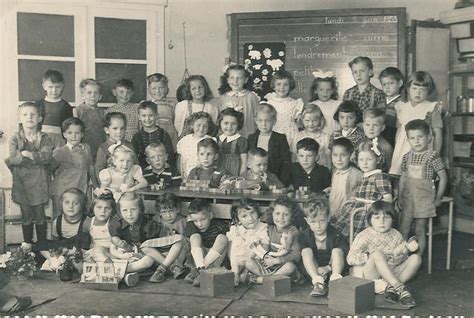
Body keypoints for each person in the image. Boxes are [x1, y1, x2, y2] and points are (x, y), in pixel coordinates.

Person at [347, 201, 421, 308]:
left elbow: (401, 259)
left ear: (392, 219)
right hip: (371, 276)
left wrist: (399, 256)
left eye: (386, 217)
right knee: (377, 254)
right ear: (370, 220)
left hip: (391, 272)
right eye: (377, 218)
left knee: (416, 258)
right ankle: (399, 287)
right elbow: (350, 258)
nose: (382, 222)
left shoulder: (396, 235)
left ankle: (391, 287)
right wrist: (369, 256)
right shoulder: (364, 235)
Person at [109, 192, 185, 284]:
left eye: (133, 209)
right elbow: (112, 245)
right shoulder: (117, 223)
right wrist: (121, 255)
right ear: (119, 211)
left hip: (141, 257)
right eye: (125, 210)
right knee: (100, 251)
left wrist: (139, 255)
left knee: (148, 260)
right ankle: (123, 273)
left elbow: (151, 248)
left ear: (140, 209)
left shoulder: (148, 224)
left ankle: (120, 272)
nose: (129, 214)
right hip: (123, 256)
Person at [398, 119, 448, 257]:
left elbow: (443, 178)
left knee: (420, 230)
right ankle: (401, 257)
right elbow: (403, 178)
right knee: (403, 229)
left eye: (420, 137)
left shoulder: (432, 156)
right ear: (408, 140)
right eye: (412, 138)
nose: (417, 141)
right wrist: (400, 196)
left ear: (429, 138)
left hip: (424, 200)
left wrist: (438, 197)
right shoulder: (406, 157)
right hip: (408, 198)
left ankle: (417, 258)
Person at [5, 102, 52, 244]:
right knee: (26, 216)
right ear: (19, 118)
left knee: (40, 216)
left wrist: (29, 155)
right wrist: (35, 158)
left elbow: (47, 157)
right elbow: (13, 159)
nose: (29, 117)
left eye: (33, 114)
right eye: (25, 114)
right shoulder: (15, 138)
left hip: (39, 183)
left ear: (40, 118)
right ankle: (28, 250)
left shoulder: (45, 138)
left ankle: (42, 248)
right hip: (22, 184)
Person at [330, 140, 393, 238]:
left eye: (369, 159)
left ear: (377, 160)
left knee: (362, 236)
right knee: (341, 230)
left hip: (368, 213)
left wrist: (373, 205)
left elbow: (388, 199)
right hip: (356, 210)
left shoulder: (379, 176)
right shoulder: (364, 176)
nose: (365, 163)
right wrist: (354, 199)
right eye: (361, 160)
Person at [390, 71, 443, 176]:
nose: (418, 93)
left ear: (428, 91)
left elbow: (438, 133)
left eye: (422, 90)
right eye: (414, 89)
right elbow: (399, 131)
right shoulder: (402, 107)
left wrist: (436, 154)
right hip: (402, 149)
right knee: (401, 177)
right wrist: (397, 149)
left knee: (419, 176)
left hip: (422, 150)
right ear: (408, 89)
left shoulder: (431, 108)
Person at [245, 196, 303, 284]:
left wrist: (276, 261)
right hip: (268, 264)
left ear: (292, 216)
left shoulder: (293, 231)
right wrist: (258, 249)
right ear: (272, 214)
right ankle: (268, 279)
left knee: (290, 267)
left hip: (283, 265)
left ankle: (261, 280)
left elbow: (296, 256)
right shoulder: (268, 228)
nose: (281, 217)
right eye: (277, 213)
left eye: (286, 214)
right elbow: (264, 247)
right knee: (248, 262)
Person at [299, 196, 349, 296]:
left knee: (337, 251)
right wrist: (317, 272)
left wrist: (329, 268)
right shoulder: (304, 236)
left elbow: (345, 256)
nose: (318, 226)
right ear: (307, 220)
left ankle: (335, 282)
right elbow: (301, 260)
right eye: (313, 222)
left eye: (321, 221)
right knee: (306, 251)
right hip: (313, 272)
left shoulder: (336, 235)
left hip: (333, 270)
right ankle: (318, 283)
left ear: (328, 218)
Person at [50, 117, 97, 219]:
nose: (74, 136)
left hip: (80, 189)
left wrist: (96, 185)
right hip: (62, 192)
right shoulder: (60, 151)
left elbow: (90, 167)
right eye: (70, 133)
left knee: (79, 218)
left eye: (77, 133)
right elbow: (49, 169)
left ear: (82, 134)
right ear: (64, 134)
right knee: (59, 219)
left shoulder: (86, 148)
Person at [184, 198, 229, 287]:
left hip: (214, 260)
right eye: (195, 221)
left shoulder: (220, 226)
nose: (199, 224)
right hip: (197, 259)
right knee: (195, 236)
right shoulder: (191, 225)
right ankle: (200, 269)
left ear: (211, 215)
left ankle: (201, 271)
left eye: (203, 219)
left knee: (222, 238)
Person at [35, 188, 90, 262]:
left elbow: (88, 241)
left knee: (84, 237)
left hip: (78, 247)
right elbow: (56, 239)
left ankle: (71, 256)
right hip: (63, 246)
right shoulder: (58, 221)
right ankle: (52, 259)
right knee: (40, 243)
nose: (71, 206)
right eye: (67, 202)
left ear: (82, 205)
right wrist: (57, 248)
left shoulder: (86, 220)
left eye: (76, 203)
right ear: (61, 204)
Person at [227, 198, 269, 286]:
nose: (250, 218)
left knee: (249, 262)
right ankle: (235, 273)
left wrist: (252, 255)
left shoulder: (263, 228)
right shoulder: (236, 229)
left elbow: (265, 248)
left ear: (257, 212)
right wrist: (234, 264)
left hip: (255, 261)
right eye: (244, 216)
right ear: (237, 219)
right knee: (236, 242)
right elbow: (231, 250)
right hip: (238, 260)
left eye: (253, 213)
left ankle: (247, 276)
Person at [248, 103, 291, 186]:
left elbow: (286, 163)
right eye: (260, 120)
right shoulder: (251, 138)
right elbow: (249, 160)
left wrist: (282, 183)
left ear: (274, 121)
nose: (263, 124)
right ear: (255, 121)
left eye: (267, 120)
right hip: (253, 181)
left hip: (275, 180)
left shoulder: (280, 138)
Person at [35, 69, 73, 149]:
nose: (54, 90)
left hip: (59, 139)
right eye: (50, 87)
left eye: (57, 87)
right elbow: (35, 122)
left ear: (62, 86)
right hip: (41, 137)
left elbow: (68, 126)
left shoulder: (65, 106)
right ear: (44, 86)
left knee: (58, 158)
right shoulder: (39, 104)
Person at [218, 63, 259, 138]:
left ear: (246, 80)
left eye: (239, 78)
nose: (235, 81)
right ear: (227, 80)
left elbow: (257, 116)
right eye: (232, 78)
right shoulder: (223, 97)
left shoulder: (251, 97)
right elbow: (220, 118)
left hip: (246, 133)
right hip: (227, 134)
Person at [131, 101, 175, 169]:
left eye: (151, 115)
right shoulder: (137, 137)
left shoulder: (163, 134)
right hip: (142, 172)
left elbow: (170, 155)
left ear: (157, 116)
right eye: (144, 116)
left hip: (162, 170)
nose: (147, 119)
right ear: (139, 117)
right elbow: (134, 157)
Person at [263, 70, 304, 143]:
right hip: (274, 133)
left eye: (285, 84)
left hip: (290, 135)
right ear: (274, 86)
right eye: (279, 84)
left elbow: (299, 122)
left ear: (290, 86)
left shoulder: (295, 103)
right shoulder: (269, 103)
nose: (282, 87)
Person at [327, 137, 363, 216]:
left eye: (343, 155)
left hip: (347, 214)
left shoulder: (357, 174)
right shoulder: (334, 171)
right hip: (333, 211)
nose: (338, 159)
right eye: (335, 155)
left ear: (350, 155)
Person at [95, 112, 134, 178]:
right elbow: (99, 170)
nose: (119, 132)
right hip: (111, 184)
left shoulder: (129, 146)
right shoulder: (103, 149)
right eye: (115, 128)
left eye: (122, 128)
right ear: (107, 130)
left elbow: (135, 165)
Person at [291, 104, 331, 169]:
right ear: (302, 120)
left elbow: (328, 157)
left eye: (314, 121)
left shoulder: (325, 137)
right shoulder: (297, 136)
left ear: (320, 120)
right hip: (301, 171)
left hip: (320, 172)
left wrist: (329, 172)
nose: (311, 124)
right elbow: (294, 156)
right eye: (307, 121)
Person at [176, 112, 214, 178]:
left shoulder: (211, 140)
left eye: (205, 126)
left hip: (204, 174)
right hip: (186, 172)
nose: (201, 128)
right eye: (198, 125)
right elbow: (180, 158)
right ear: (192, 125)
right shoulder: (185, 140)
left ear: (208, 128)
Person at [76, 78, 106, 161]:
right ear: (82, 96)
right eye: (89, 93)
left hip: (99, 148)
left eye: (96, 93)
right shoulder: (78, 111)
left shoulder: (103, 113)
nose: (92, 96)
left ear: (100, 97)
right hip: (83, 148)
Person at [147, 73, 178, 147]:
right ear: (149, 90)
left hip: (169, 134)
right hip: (152, 134)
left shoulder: (172, 104)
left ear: (166, 89)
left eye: (161, 88)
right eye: (154, 88)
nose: (157, 91)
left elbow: (175, 120)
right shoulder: (147, 104)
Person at [217, 107, 248, 176]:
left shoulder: (241, 141)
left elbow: (244, 162)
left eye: (233, 124)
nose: (229, 126)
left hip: (234, 173)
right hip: (219, 172)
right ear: (220, 123)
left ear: (238, 125)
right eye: (226, 123)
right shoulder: (217, 139)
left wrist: (242, 176)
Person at [378, 67, 404, 146]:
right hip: (380, 135)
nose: (387, 87)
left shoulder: (402, 102)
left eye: (390, 83)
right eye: (384, 84)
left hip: (394, 136)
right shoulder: (380, 102)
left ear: (400, 83)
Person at [309, 70, 341, 136]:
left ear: (332, 91)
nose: (325, 93)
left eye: (328, 90)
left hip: (335, 136)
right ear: (315, 91)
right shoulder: (312, 105)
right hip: (318, 137)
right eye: (321, 90)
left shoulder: (338, 104)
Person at [362, 108, 393, 172]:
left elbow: (388, 169)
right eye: (367, 125)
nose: (371, 128)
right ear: (363, 125)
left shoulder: (386, 147)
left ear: (382, 127)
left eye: (375, 125)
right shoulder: (359, 142)